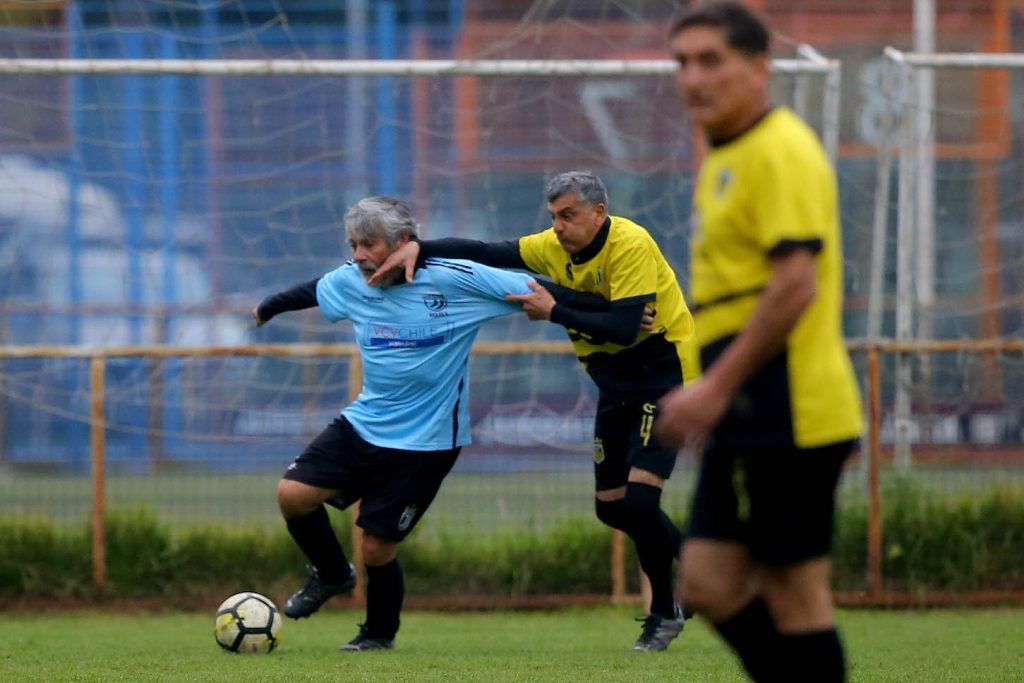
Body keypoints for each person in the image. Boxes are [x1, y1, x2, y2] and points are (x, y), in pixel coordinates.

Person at [254, 195, 611, 651]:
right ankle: (332, 573)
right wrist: (267, 308)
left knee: (377, 547)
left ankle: (377, 635)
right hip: (365, 423)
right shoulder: (351, 280)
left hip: (428, 441)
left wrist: (612, 311)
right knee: (293, 496)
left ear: (403, 242)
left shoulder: (456, 278)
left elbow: (541, 290)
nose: (359, 255)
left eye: (369, 244)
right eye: (353, 245)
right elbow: (311, 290)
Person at [369, 171, 699, 652]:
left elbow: (626, 328)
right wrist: (421, 247)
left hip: (664, 381)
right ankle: (700, 564)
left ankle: (663, 614)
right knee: (611, 508)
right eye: (554, 216)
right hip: (615, 385)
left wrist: (554, 310)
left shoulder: (629, 243)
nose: (559, 226)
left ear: (599, 213)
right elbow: (487, 251)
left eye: (568, 215)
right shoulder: (552, 246)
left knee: (640, 504)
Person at [655, 3, 863, 681]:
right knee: (706, 582)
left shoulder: (780, 148)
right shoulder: (728, 155)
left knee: (796, 592)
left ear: (758, 69)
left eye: (711, 60)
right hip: (746, 411)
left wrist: (715, 389)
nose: (693, 78)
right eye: (683, 63)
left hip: (789, 408)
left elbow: (796, 285)